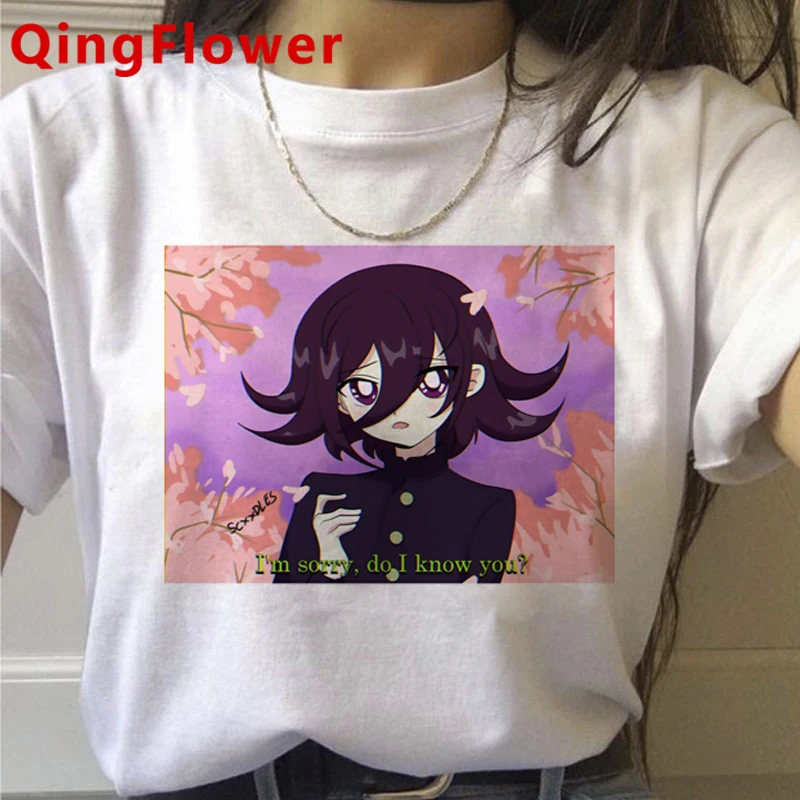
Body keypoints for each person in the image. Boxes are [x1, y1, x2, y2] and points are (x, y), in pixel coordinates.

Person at [1, 1, 798, 799]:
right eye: (362, 387)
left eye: (428, 382)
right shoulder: (66, 148)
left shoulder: (706, 155)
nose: (395, 407)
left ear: (471, 381)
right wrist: (323, 551)